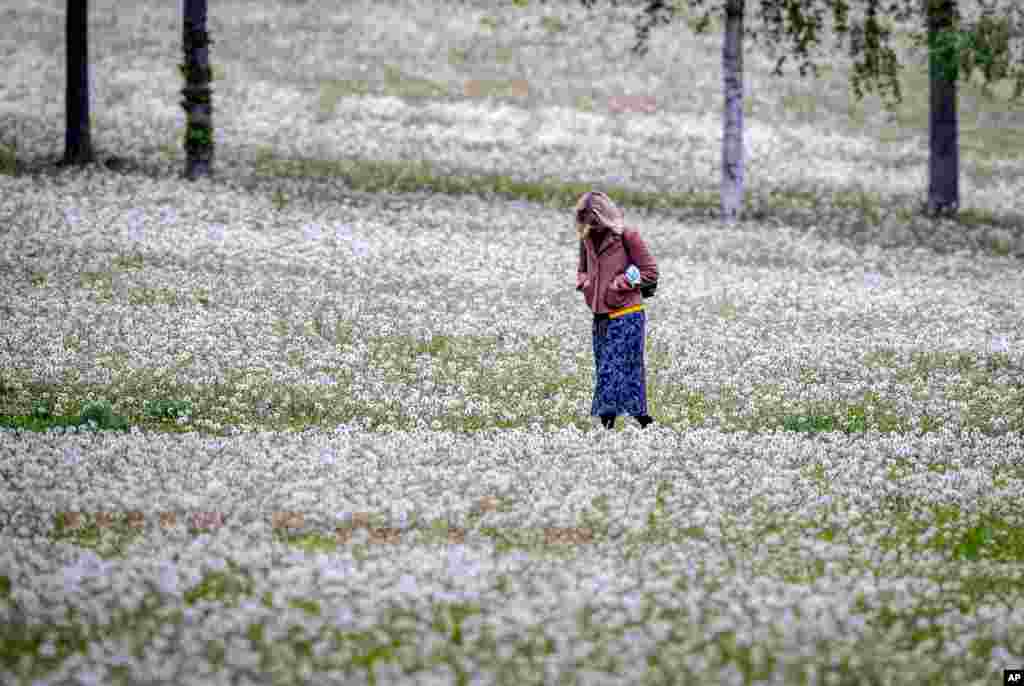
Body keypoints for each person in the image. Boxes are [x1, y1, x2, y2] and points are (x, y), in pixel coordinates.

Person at [574, 190, 658, 431]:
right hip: (600, 314)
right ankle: (640, 422)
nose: (591, 227)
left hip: (626, 312)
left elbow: (650, 271)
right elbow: (582, 268)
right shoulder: (586, 237)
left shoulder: (627, 236)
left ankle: (612, 424)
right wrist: (585, 282)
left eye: (594, 221)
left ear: (604, 216)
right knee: (605, 368)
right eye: (586, 222)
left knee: (618, 368)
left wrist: (620, 283)